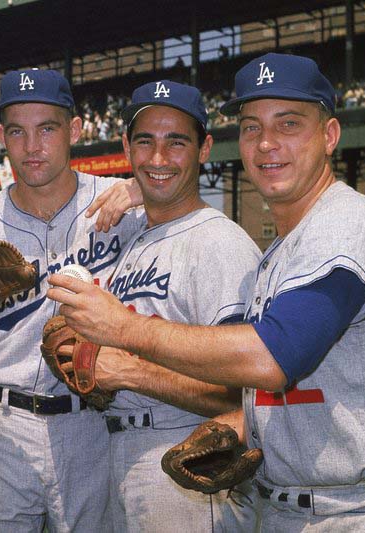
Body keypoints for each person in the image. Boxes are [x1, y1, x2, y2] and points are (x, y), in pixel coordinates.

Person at [50, 53, 365, 531]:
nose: (267, 144)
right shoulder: (290, 243)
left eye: (288, 124)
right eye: (251, 128)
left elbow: (274, 357)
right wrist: (240, 424)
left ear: (329, 136)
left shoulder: (347, 223)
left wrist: (123, 333)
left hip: (347, 510)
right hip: (289, 502)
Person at [0, 68, 143, 531]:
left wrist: (147, 191)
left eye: (47, 128)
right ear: (0, 137)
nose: (32, 146)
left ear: (74, 130)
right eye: (18, 130)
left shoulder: (121, 207)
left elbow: (187, 213)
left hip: (93, 426)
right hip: (1, 429)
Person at [93, 80, 260, 531]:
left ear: (204, 148)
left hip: (187, 458)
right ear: (127, 147)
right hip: (119, 453)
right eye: (145, 141)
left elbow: (247, 395)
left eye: (176, 142)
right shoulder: (134, 241)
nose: (159, 158)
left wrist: (130, 372)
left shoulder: (219, 244)